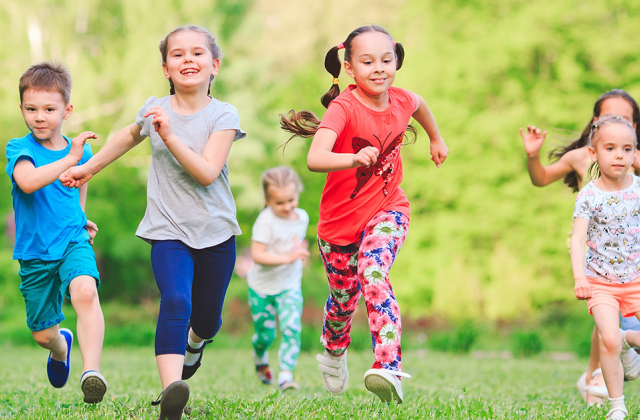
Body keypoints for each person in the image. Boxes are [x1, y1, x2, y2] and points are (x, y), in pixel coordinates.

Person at [59, 26, 245, 420]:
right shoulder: (154, 108)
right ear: (166, 67)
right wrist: (88, 168)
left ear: (215, 65)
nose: (188, 60)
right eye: (178, 54)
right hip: (167, 229)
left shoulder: (223, 114)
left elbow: (208, 172)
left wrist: (171, 135)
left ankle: (196, 343)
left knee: (208, 319)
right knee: (176, 300)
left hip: (216, 232)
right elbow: (126, 137)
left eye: (198, 53)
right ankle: (171, 394)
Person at [280, 25, 449, 403]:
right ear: (350, 68)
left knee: (373, 271)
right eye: (368, 61)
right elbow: (315, 157)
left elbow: (419, 104)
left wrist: (436, 139)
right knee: (343, 300)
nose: (379, 68)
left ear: (397, 61)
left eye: (387, 59)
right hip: (338, 227)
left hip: (388, 209)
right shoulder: (344, 108)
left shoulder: (402, 100)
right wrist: (352, 157)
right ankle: (334, 348)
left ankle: (388, 368)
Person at [520, 89, 640, 405]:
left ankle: (594, 375)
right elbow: (542, 178)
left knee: (612, 325)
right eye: (608, 117)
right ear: (595, 123)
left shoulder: (633, 158)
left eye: (624, 119)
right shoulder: (580, 158)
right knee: (607, 318)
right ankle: (597, 376)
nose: (616, 122)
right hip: (597, 257)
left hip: (633, 258)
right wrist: (533, 156)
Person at [5, 62, 107, 403]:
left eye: (49, 109)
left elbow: (76, 190)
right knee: (41, 334)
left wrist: (81, 218)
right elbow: (29, 183)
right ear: (21, 109)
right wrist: (71, 157)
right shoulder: (19, 149)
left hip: (71, 241)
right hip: (34, 252)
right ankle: (61, 347)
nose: (40, 117)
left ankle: (91, 372)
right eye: (31, 109)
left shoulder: (81, 152)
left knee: (84, 291)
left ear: (67, 109)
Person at [571, 114, 640, 420]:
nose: (619, 155)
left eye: (627, 149)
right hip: (600, 282)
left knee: (620, 338)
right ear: (594, 153)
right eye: (610, 148)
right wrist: (579, 278)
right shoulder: (589, 195)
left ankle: (629, 341)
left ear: (635, 153)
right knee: (608, 337)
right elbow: (577, 240)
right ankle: (617, 405)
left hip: (636, 279)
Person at [246, 166, 309, 391]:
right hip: (261, 288)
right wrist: (289, 257)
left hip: (289, 285)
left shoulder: (302, 217)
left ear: (297, 194)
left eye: (291, 200)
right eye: (279, 203)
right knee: (266, 334)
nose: (286, 207)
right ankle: (260, 355)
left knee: (292, 327)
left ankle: (285, 375)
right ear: (267, 200)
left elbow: (294, 242)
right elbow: (258, 255)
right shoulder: (265, 222)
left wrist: (300, 253)